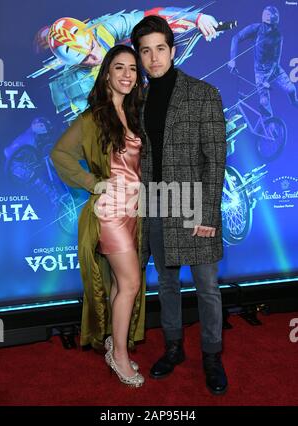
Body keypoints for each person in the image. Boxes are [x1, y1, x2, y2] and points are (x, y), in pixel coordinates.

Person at [131, 16, 228, 395]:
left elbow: (215, 159)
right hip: (156, 203)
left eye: (159, 49)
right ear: (139, 56)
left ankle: (212, 354)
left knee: (207, 288)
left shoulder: (204, 93)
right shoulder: (139, 98)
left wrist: (207, 212)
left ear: (172, 50)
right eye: (145, 51)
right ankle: (173, 347)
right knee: (167, 285)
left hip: (194, 204)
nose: (153, 58)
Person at [50, 45, 145, 388]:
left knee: (122, 284)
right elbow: (59, 153)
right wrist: (94, 183)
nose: (126, 75)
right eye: (119, 68)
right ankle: (118, 355)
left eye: (133, 69)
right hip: (111, 213)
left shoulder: (135, 114)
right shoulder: (94, 118)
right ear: (106, 73)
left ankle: (115, 344)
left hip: (136, 211)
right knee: (131, 282)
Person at [31, 7, 220, 118]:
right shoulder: (76, 85)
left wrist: (196, 18)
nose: (95, 56)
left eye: (93, 46)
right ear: (74, 64)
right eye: (86, 58)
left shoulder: (102, 28)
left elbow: (150, 17)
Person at [228, 5, 298, 117]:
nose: (269, 29)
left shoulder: (278, 36)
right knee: (264, 102)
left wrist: (268, 79)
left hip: (274, 70)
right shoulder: (255, 29)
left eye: (272, 26)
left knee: (291, 90)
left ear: (275, 24)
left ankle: (294, 102)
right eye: (267, 25)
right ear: (263, 22)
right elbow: (236, 38)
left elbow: (276, 61)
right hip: (260, 72)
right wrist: (232, 60)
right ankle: (271, 126)